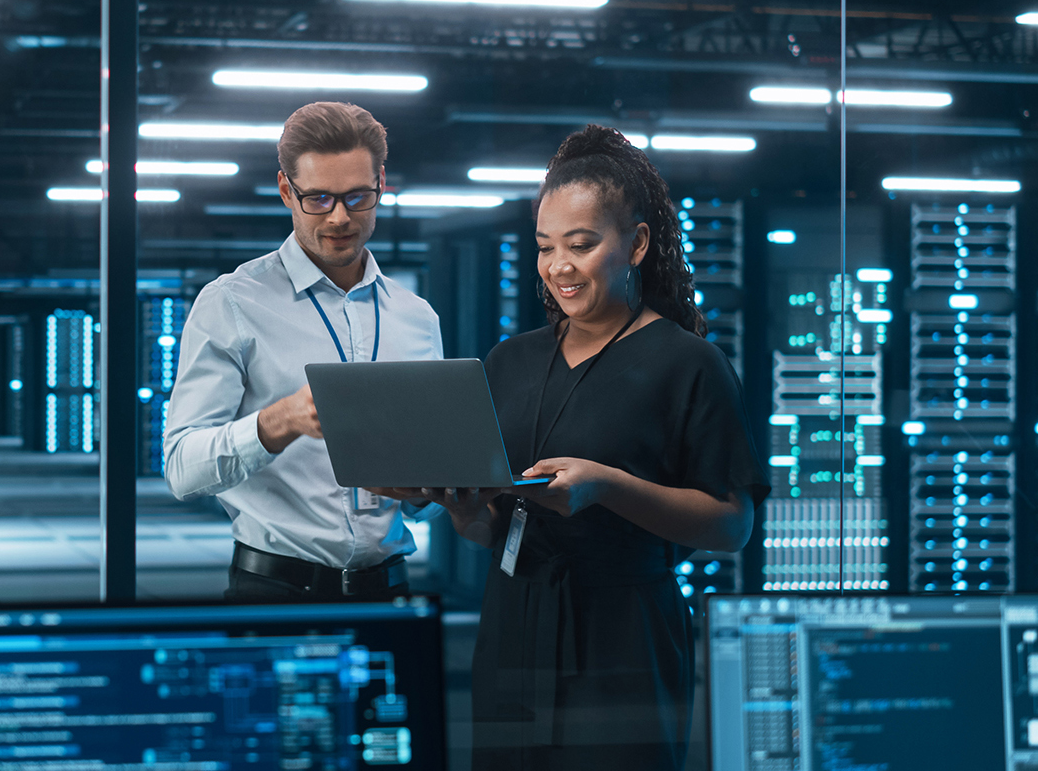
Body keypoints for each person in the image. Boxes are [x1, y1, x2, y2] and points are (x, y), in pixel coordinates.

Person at [387, 124, 768, 769]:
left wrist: (608, 487)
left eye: (582, 245)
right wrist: (459, 506)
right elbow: (495, 529)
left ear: (637, 244)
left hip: (624, 637)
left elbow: (732, 525)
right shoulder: (510, 361)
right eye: (545, 248)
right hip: (511, 626)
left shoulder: (688, 364)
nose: (559, 266)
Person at [162, 101, 443, 602]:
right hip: (275, 592)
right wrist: (279, 421)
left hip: (389, 590)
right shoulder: (231, 302)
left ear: (381, 182)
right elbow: (182, 468)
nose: (340, 218)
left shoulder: (416, 317)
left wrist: (432, 490)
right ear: (286, 190)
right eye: (318, 198)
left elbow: (428, 498)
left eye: (358, 197)